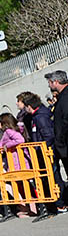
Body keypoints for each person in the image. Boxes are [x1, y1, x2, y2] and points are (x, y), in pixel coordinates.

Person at [18, 91, 59, 220]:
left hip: (46, 153)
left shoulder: (40, 117)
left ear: (28, 106)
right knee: (47, 178)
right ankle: (53, 205)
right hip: (41, 152)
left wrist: (40, 148)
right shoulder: (35, 116)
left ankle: (59, 204)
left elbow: (48, 135)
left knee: (53, 177)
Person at [45, 70, 68, 208]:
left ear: (56, 82)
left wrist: (60, 139)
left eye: (49, 82)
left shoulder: (65, 97)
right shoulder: (61, 97)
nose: (49, 85)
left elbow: (65, 120)